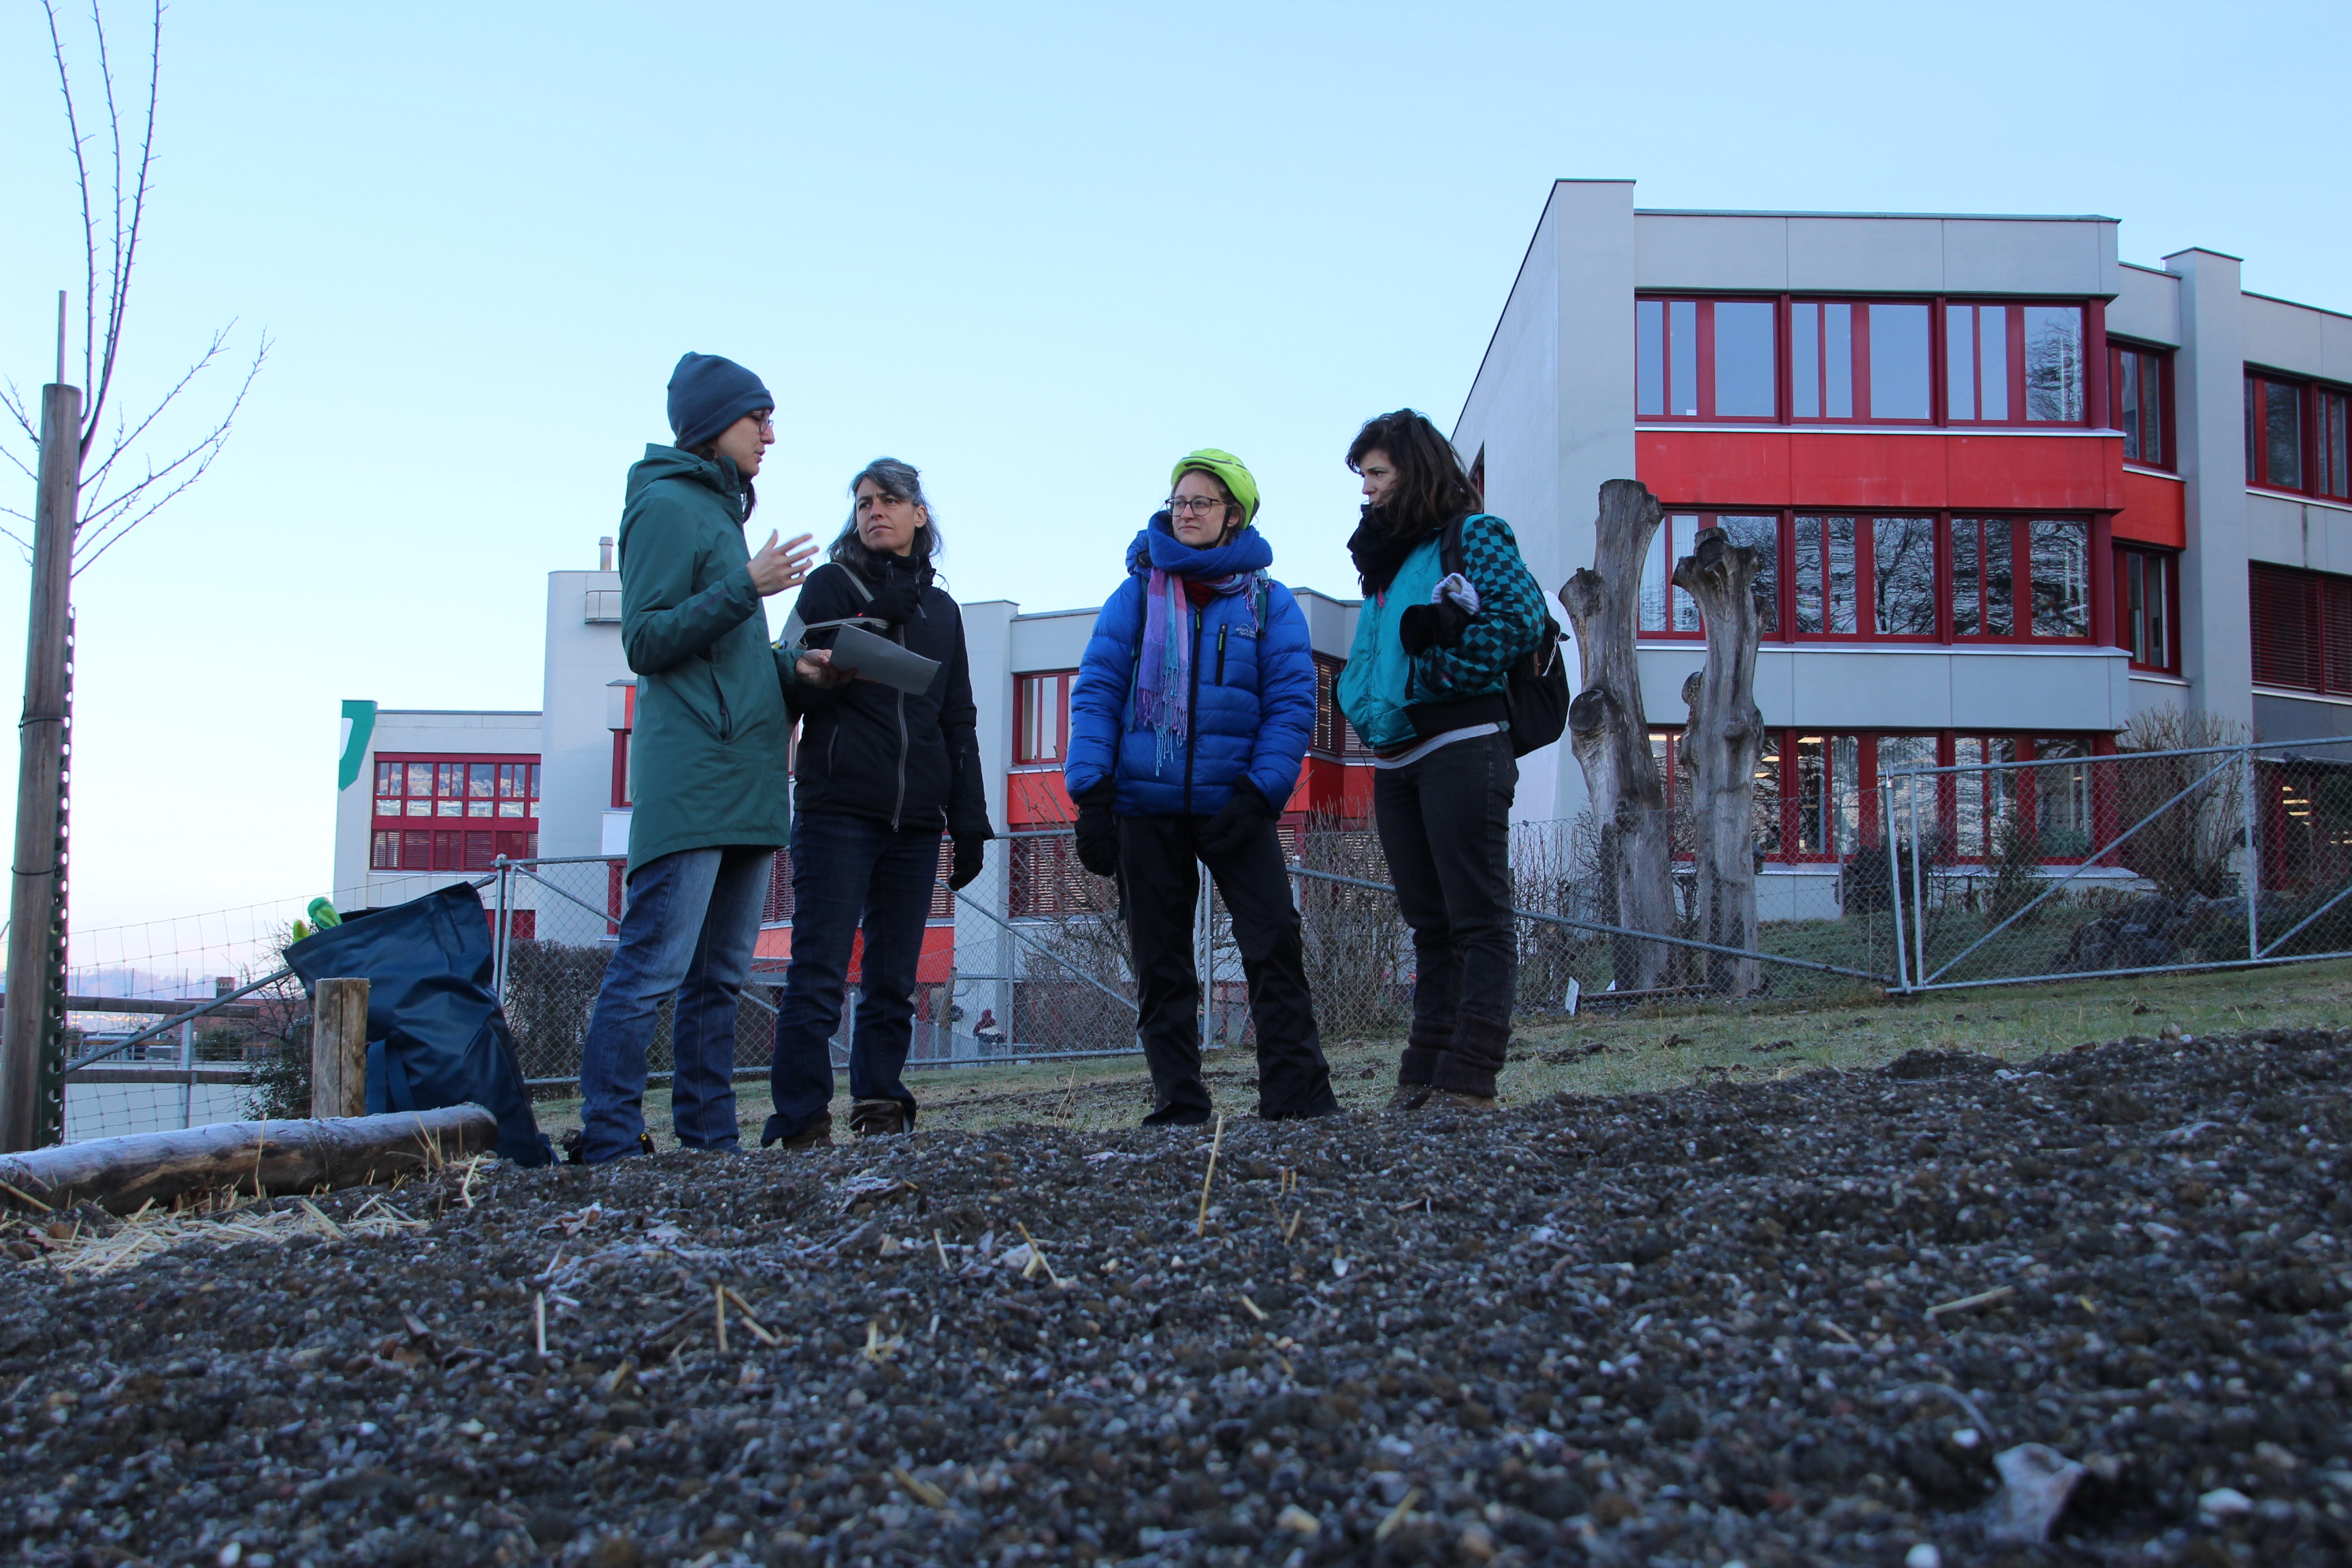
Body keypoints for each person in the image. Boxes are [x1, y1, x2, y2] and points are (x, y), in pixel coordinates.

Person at [574, 352, 819, 1163]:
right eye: (759, 419)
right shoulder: (665, 505)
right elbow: (646, 640)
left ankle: (711, 1143)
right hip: (692, 780)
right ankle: (611, 1140)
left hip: (748, 780)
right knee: (651, 969)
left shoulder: (720, 511)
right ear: (714, 424)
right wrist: (747, 585)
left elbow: (728, 659)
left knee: (720, 980)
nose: (770, 436)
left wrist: (797, 671)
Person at [1064, 449, 1341, 1126]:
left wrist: (1259, 794)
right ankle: (1179, 1103)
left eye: (1201, 502)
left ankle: (1297, 1098)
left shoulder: (1268, 603)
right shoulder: (1136, 594)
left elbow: (1291, 707)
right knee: (1160, 961)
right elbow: (1097, 693)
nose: (1185, 512)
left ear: (1234, 515)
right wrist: (1092, 795)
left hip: (1235, 805)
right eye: (1178, 501)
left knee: (1273, 944)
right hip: (1142, 805)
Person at [762, 459, 993, 1147]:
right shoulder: (829, 584)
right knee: (818, 972)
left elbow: (957, 716)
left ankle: (881, 1105)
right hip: (837, 808)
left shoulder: (942, 612)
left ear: (919, 514)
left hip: (916, 820)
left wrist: (970, 818)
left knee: (893, 979)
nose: (874, 511)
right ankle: (801, 1120)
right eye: (864, 502)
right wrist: (862, 626)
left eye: (889, 500)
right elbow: (784, 675)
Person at [1335, 409, 1548, 1113]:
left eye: (1377, 473)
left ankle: (1471, 1077)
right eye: (1363, 475)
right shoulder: (1387, 562)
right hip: (1396, 758)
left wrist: (1435, 677)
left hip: (1462, 743)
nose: (1366, 488)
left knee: (1477, 919)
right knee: (1430, 926)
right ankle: (1423, 1074)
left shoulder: (1473, 534)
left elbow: (1520, 619)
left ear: (1414, 471)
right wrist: (1356, 696)